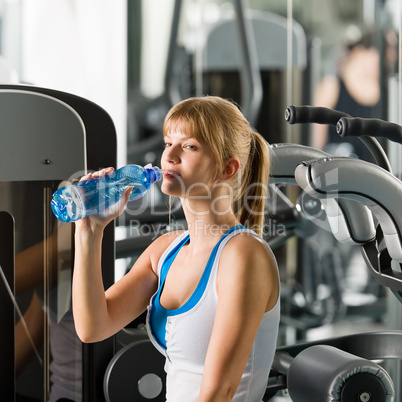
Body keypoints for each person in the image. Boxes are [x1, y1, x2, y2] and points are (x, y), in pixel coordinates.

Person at [72, 96, 280, 401]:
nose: (169, 155)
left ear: (227, 169)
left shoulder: (243, 255)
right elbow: (93, 326)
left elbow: (218, 392)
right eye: (168, 142)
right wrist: (89, 233)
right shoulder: (166, 250)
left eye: (190, 146)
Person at [313, 26, 381, 162]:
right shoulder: (331, 87)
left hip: (378, 176)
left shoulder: (388, 94)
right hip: (338, 174)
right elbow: (314, 142)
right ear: (359, 53)